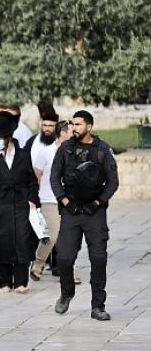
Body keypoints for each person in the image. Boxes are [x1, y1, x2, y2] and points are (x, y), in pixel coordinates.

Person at [50, 110, 119, 321]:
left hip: (94, 212)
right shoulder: (65, 149)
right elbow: (54, 178)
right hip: (71, 210)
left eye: (78, 124)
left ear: (89, 126)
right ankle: (66, 292)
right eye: (72, 124)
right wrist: (65, 201)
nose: (73, 127)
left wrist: (98, 202)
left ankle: (98, 306)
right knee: (63, 257)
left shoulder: (102, 150)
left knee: (98, 258)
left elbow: (113, 181)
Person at [0, 109, 40, 294]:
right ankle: (4, 281)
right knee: (1, 243)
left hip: (21, 205)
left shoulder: (23, 155)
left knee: (23, 242)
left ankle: (21, 281)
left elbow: (31, 180)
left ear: (8, 137)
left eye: (1, 137)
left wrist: (32, 200)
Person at [30, 120, 71, 281]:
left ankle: (68, 272)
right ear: (63, 133)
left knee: (69, 237)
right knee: (52, 236)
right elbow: (37, 174)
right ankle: (38, 263)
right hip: (50, 200)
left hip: (69, 201)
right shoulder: (46, 152)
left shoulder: (74, 151)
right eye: (71, 131)